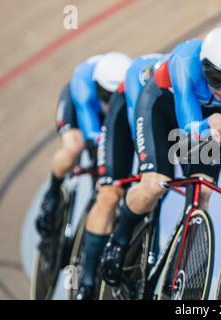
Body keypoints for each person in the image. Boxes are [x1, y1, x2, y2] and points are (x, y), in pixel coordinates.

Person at [100, 27, 221, 286]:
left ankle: (180, 269)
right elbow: (187, 127)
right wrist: (216, 122)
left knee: (203, 192)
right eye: (216, 78)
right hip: (161, 108)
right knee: (154, 184)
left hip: (207, 120)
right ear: (203, 65)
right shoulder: (184, 60)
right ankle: (118, 240)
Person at [75, 54, 167, 299]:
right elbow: (139, 127)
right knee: (110, 192)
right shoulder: (131, 86)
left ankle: (143, 257)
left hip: (159, 112)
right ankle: (86, 283)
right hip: (129, 110)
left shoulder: (180, 81)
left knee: (155, 189)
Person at [35, 52, 132, 239]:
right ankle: (52, 195)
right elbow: (92, 135)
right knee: (73, 147)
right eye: (105, 96)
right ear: (98, 88)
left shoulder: (127, 84)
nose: (109, 102)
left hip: (107, 114)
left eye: (115, 97)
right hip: (77, 105)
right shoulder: (84, 87)